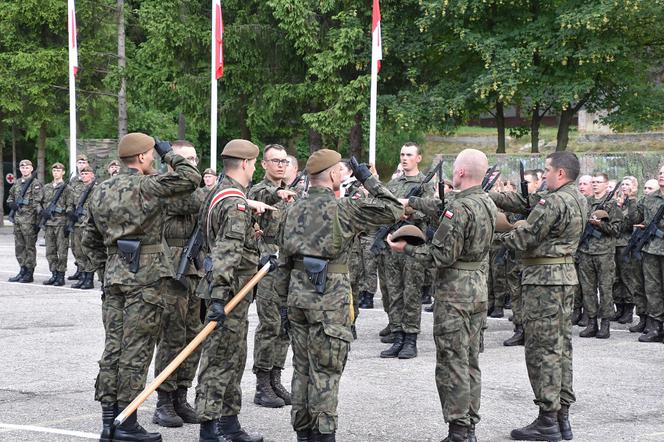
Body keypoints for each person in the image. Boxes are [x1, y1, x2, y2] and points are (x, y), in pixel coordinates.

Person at [273, 150, 402, 442]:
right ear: (333, 175)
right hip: (331, 302)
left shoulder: (291, 210)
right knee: (327, 372)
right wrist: (368, 178)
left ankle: (303, 433)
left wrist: (282, 305)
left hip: (297, 299)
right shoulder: (344, 209)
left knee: (302, 370)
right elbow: (392, 208)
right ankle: (324, 434)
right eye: (340, 172)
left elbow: (283, 261)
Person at [83, 132, 200, 442]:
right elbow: (191, 178)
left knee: (113, 348)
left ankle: (110, 421)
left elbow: (87, 237)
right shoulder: (150, 186)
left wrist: (104, 267)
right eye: (152, 154)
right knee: (136, 350)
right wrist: (168, 153)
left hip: (115, 275)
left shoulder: (100, 190)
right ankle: (127, 423)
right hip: (146, 278)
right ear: (145, 157)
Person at [388, 149, 495, 442]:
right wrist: (411, 202)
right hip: (477, 289)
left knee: (452, 363)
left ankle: (458, 430)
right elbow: (441, 208)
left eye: (454, 171)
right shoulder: (486, 201)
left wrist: (405, 248)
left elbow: (441, 254)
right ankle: (469, 426)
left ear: (460, 173)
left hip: (455, 293)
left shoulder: (458, 209)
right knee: (471, 360)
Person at [490, 151, 587, 441]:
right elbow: (527, 203)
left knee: (541, 350)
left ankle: (547, 420)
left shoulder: (554, 201)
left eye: (547, 170)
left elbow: (525, 238)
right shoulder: (579, 198)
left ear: (560, 173)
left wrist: (495, 235)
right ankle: (561, 416)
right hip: (565, 278)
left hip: (544, 281)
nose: (543, 175)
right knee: (560, 348)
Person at [195, 139, 269, 442]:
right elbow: (226, 252)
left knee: (233, 358)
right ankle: (210, 428)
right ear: (245, 164)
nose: (254, 169)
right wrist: (218, 298)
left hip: (226, 289)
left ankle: (229, 423)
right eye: (254, 164)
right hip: (227, 294)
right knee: (220, 360)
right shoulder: (236, 202)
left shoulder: (219, 192)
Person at [152, 141, 205, 428]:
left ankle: (181, 395)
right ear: (172, 162)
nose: (192, 164)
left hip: (193, 267)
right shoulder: (163, 189)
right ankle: (164, 399)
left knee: (193, 334)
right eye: (186, 159)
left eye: (195, 158)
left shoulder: (196, 192)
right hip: (171, 269)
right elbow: (199, 202)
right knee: (171, 336)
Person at [248, 143, 297, 409]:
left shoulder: (294, 193)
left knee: (285, 323)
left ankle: (276, 377)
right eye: (275, 161)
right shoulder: (260, 190)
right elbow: (264, 194)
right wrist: (279, 192)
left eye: (284, 161)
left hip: (288, 263)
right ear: (264, 164)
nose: (280, 165)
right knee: (269, 323)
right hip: (268, 264)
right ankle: (262, 382)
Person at [378, 142, 434, 359]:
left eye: (409, 155)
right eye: (402, 154)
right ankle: (397, 334)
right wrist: (394, 215)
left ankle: (410, 339)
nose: (404, 158)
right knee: (394, 291)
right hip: (392, 245)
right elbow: (382, 207)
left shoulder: (426, 185)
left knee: (411, 292)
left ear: (418, 158)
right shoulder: (393, 184)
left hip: (413, 245)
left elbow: (431, 212)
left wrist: (411, 214)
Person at [576, 172, 623, 339]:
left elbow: (616, 230)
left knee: (605, 289)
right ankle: (591, 322)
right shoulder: (585, 202)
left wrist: (600, 225)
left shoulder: (612, 205)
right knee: (587, 289)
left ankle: (605, 324)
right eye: (593, 182)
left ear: (606, 184)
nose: (595, 184)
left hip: (604, 253)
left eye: (598, 182)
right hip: (585, 251)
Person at [629, 165, 664, 342]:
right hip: (651, 249)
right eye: (660, 173)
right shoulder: (649, 199)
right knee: (652, 288)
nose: (662, 175)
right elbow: (635, 218)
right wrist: (633, 199)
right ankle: (655, 327)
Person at [7, 159, 43, 283]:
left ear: (31, 169)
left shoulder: (35, 183)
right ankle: (22, 269)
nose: (24, 169)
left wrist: (38, 222)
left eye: (27, 167)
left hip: (29, 221)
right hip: (17, 220)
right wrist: (12, 204)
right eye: (22, 167)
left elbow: (38, 202)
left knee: (29, 247)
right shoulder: (17, 183)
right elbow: (10, 197)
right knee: (19, 247)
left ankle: (29, 272)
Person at [612, 176, 640, 324]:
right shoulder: (617, 202)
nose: (624, 186)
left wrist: (628, 202)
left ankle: (628, 310)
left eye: (628, 184)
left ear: (634, 187)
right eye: (622, 184)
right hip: (613, 244)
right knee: (615, 278)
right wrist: (618, 205)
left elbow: (631, 222)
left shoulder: (633, 203)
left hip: (626, 244)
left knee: (627, 278)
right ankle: (619, 308)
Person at [69, 165, 97, 289]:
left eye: (87, 173)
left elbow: (97, 207)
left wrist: (85, 213)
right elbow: (71, 203)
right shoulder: (77, 188)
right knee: (78, 252)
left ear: (92, 175)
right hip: (77, 225)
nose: (84, 176)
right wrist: (71, 212)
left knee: (88, 252)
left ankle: (89, 278)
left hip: (88, 225)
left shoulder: (96, 189)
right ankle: (83, 276)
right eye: (83, 174)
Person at [41, 162, 70, 286]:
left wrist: (68, 223)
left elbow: (70, 206)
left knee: (62, 251)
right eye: (54, 171)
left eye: (58, 171)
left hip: (61, 223)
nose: (56, 173)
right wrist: (43, 212)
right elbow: (40, 202)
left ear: (63, 172)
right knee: (50, 251)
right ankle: (54, 274)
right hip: (48, 224)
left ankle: (61, 275)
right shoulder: (46, 187)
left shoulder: (67, 188)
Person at [67, 154, 92, 281]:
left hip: (86, 222)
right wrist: (70, 212)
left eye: (83, 162)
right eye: (79, 162)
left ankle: (88, 276)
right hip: (75, 221)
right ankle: (80, 270)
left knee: (86, 249)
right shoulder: (74, 181)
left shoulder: (92, 183)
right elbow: (70, 199)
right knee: (76, 249)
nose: (81, 165)